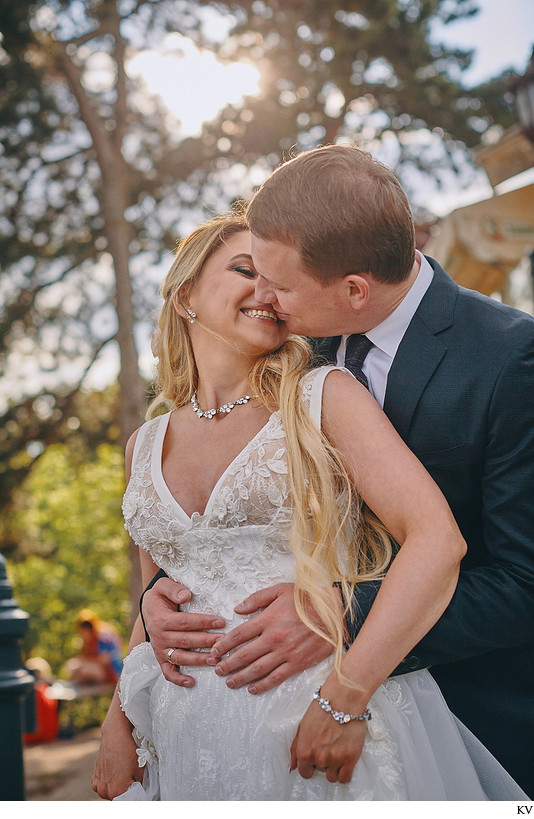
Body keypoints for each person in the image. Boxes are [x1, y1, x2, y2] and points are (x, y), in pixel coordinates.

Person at [140, 146, 534, 799]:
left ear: (355, 289)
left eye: (278, 284)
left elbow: (524, 581)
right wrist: (163, 593)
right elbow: (234, 497)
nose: (262, 297)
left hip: (469, 718)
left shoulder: (510, 359)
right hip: (268, 724)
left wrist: (335, 618)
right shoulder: (292, 343)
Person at [66, 609, 123, 686]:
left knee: (84, 669)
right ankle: (72, 685)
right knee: (72, 665)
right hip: (99, 669)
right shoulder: (87, 639)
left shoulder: (103, 636)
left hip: (113, 672)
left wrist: (84, 661)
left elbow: (105, 659)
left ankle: (74, 684)